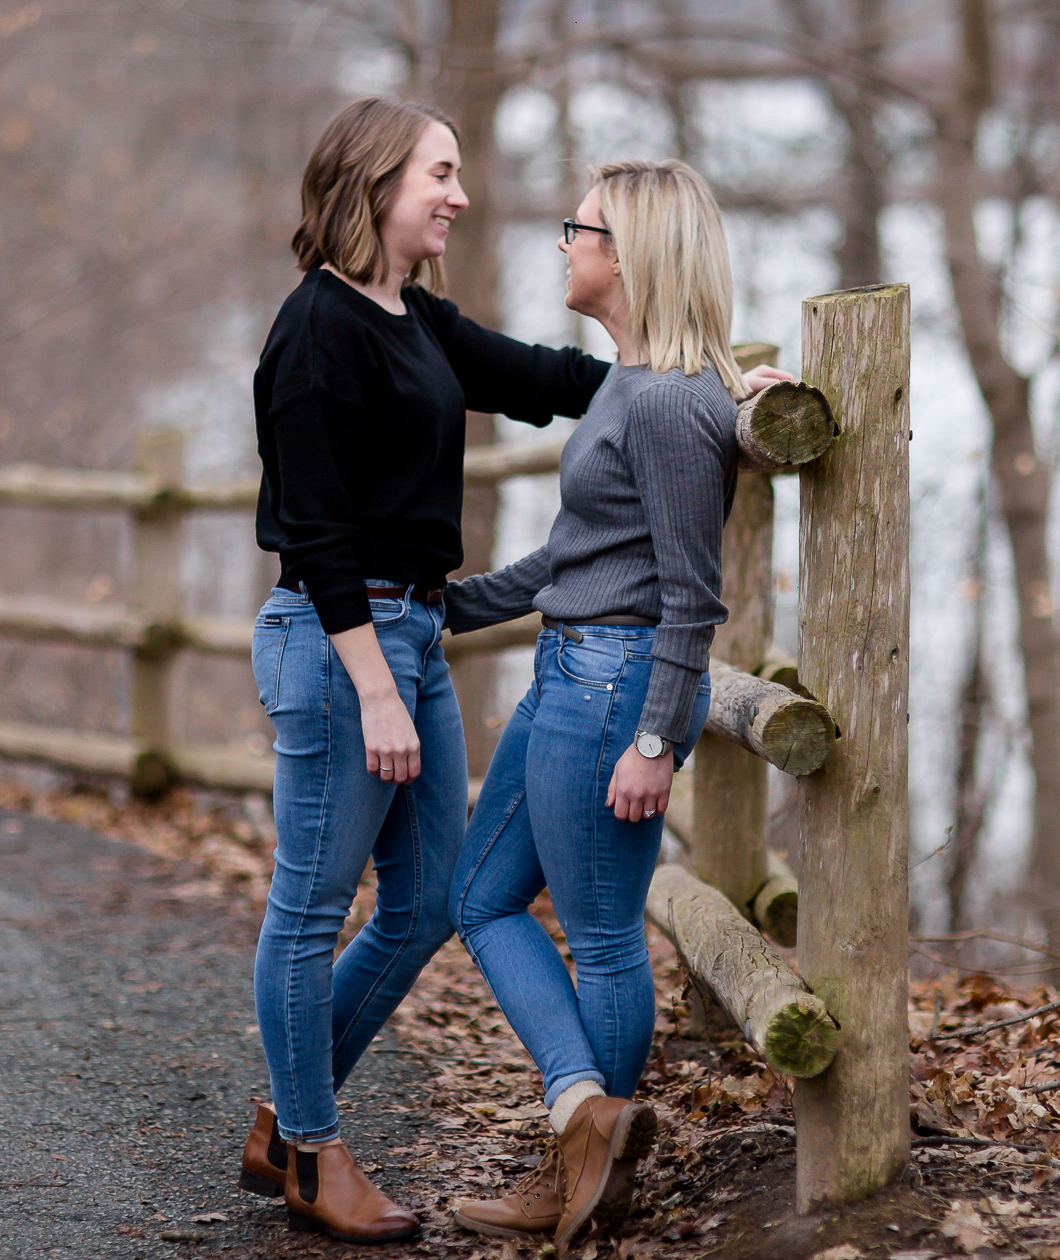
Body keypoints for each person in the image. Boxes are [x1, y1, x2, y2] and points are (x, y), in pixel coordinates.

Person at [240, 95, 618, 1246]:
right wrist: (370, 686)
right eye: (439, 174)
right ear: (374, 184)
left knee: (427, 901)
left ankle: (287, 1124)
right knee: (309, 911)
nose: (459, 194)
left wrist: (688, 385)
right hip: (335, 641)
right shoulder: (313, 334)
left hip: (412, 635)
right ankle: (313, 1150)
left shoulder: (411, 314)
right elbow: (316, 532)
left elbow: (549, 378)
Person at [442, 159, 776, 1252]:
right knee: (482, 897)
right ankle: (586, 1121)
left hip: (613, 691)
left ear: (626, 253)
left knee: (599, 934)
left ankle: (584, 1166)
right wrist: (453, 603)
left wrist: (652, 740)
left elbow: (692, 600)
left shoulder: (673, 405)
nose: (561, 245)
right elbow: (580, 555)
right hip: (566, 673)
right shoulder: (632, 383)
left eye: (574, 228)